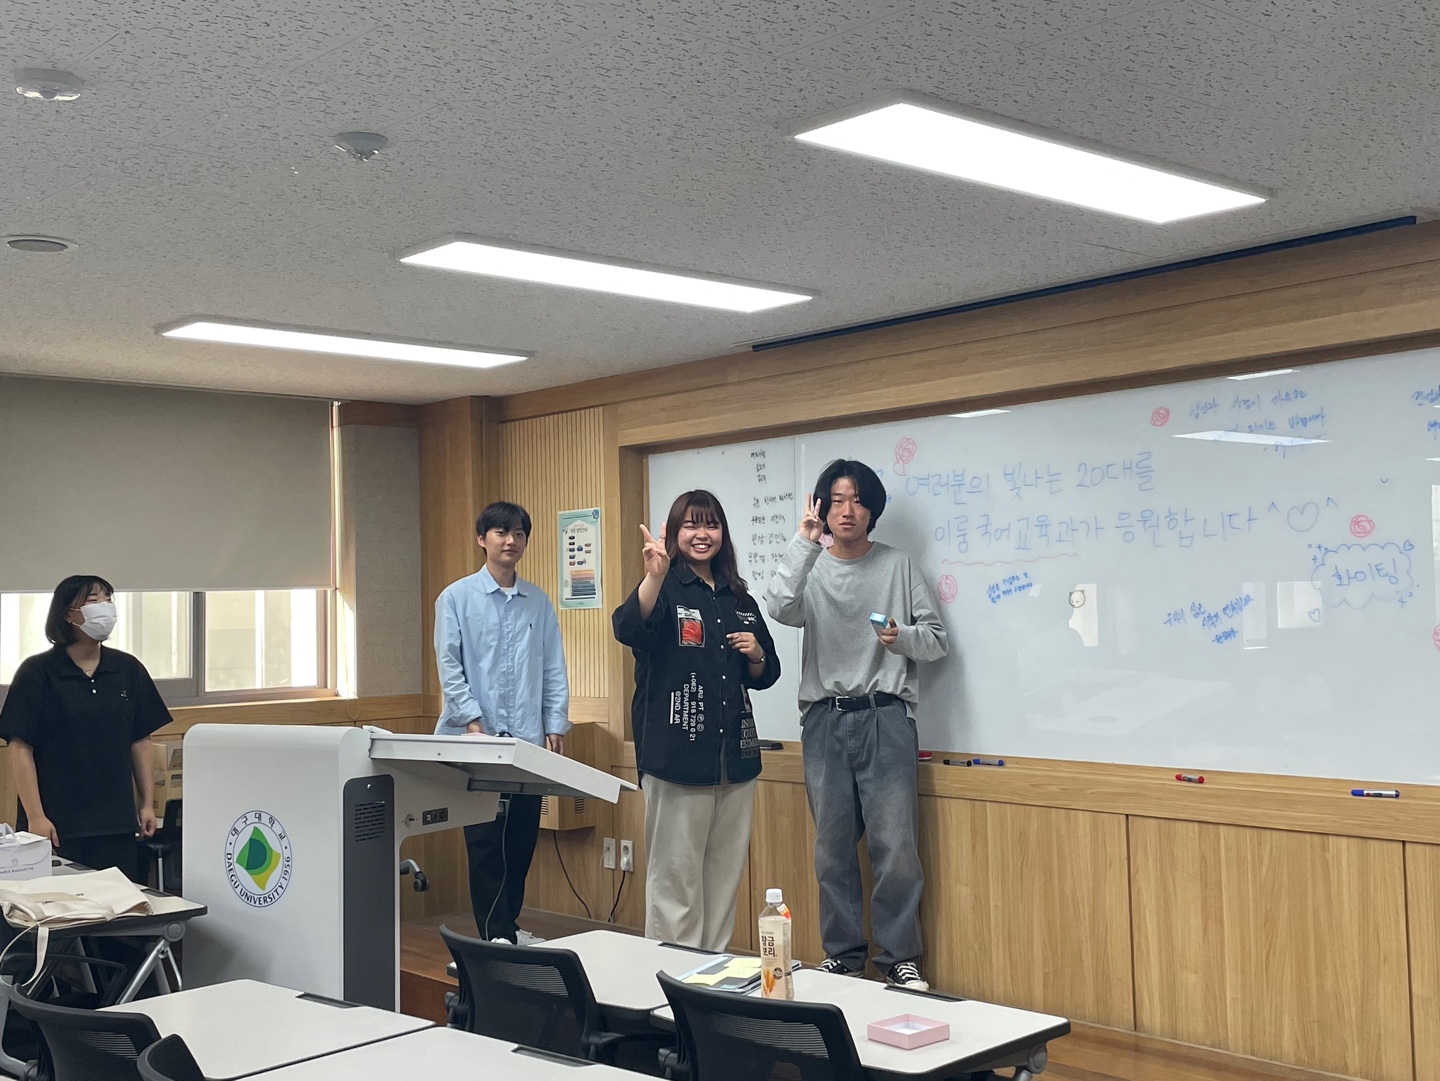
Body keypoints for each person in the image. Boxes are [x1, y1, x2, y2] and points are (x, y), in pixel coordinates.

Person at [766, 460, 947, 990]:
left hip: (885, 717)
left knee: (896, 849)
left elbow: (936, 640)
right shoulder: (812, 567)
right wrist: (803, 541)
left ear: (873, 509)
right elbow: (779, 607)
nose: (848, 511)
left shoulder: (899, 565)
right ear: (823, 508)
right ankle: (843, 957)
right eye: (837, 500)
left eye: (859, 500)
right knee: (832, 850)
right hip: (825, 720)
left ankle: (900, 959)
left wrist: (901, 637)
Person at [613, 490, 780, 950]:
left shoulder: (738, 597)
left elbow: (767, 674)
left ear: (722, 533)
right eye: (691, 525)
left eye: (711, 525)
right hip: (676, 759)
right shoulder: (664, 586)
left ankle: (709, 975)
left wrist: (757, 654)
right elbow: (629, 628)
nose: (702, 534)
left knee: (723, 882)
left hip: (735, 761)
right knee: (676, 882)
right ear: (675, 532)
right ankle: (671, 980)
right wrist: (653, 576)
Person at [435, 502, 569, 945]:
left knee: (521, 839)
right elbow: (449, 666)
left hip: (526, 742)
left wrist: (555, 723)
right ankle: (494, 935)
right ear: (482, 539)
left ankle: (509, 926)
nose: (510, 541)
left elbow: (553, 666)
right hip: (476, 741)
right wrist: (471, 719)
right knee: (486, 841)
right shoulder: (456, 598)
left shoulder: (538, 601)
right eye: (500, 532)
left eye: (518, 534)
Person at [0, 576, 166, 881]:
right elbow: (20, 747)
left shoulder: (128, 669)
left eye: (108, 600)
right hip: (57, 823)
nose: (104, 607)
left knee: (118, 903)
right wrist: (36, 816)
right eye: (93, 601)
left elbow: (141, 741)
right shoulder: (38, 672)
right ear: (68, 614)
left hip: (115, 822)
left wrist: (146, 804)